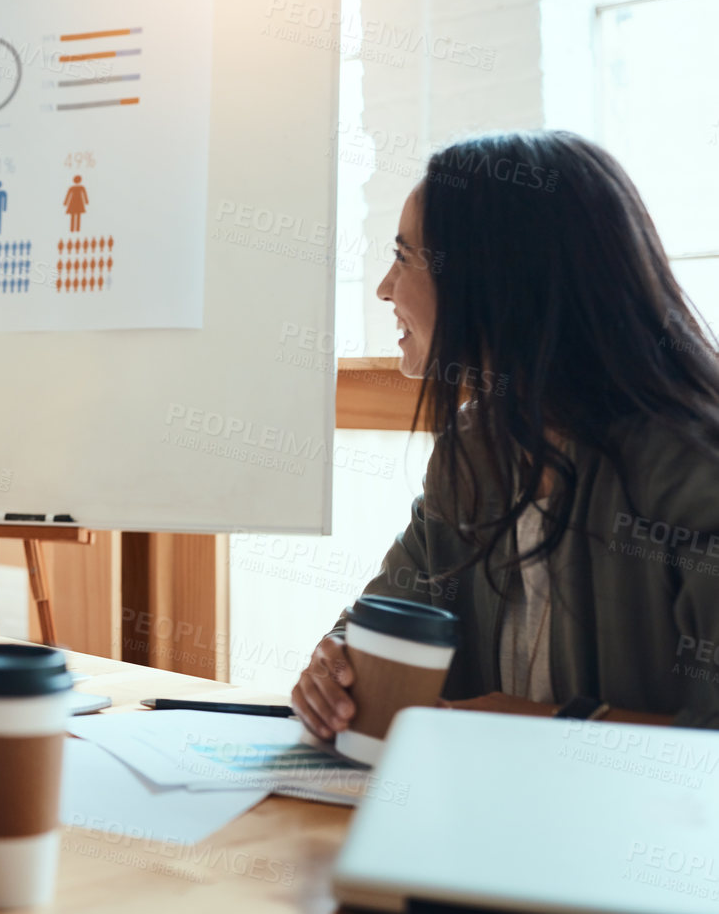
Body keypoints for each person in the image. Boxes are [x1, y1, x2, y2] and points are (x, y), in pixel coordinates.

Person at [292, 130, 719, 735]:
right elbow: (387, 620)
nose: (385, 287)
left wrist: (548, 728)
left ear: (496, 280)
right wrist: (334, 668)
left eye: (405, 258)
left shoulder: (693, 467)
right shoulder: (471, 455)